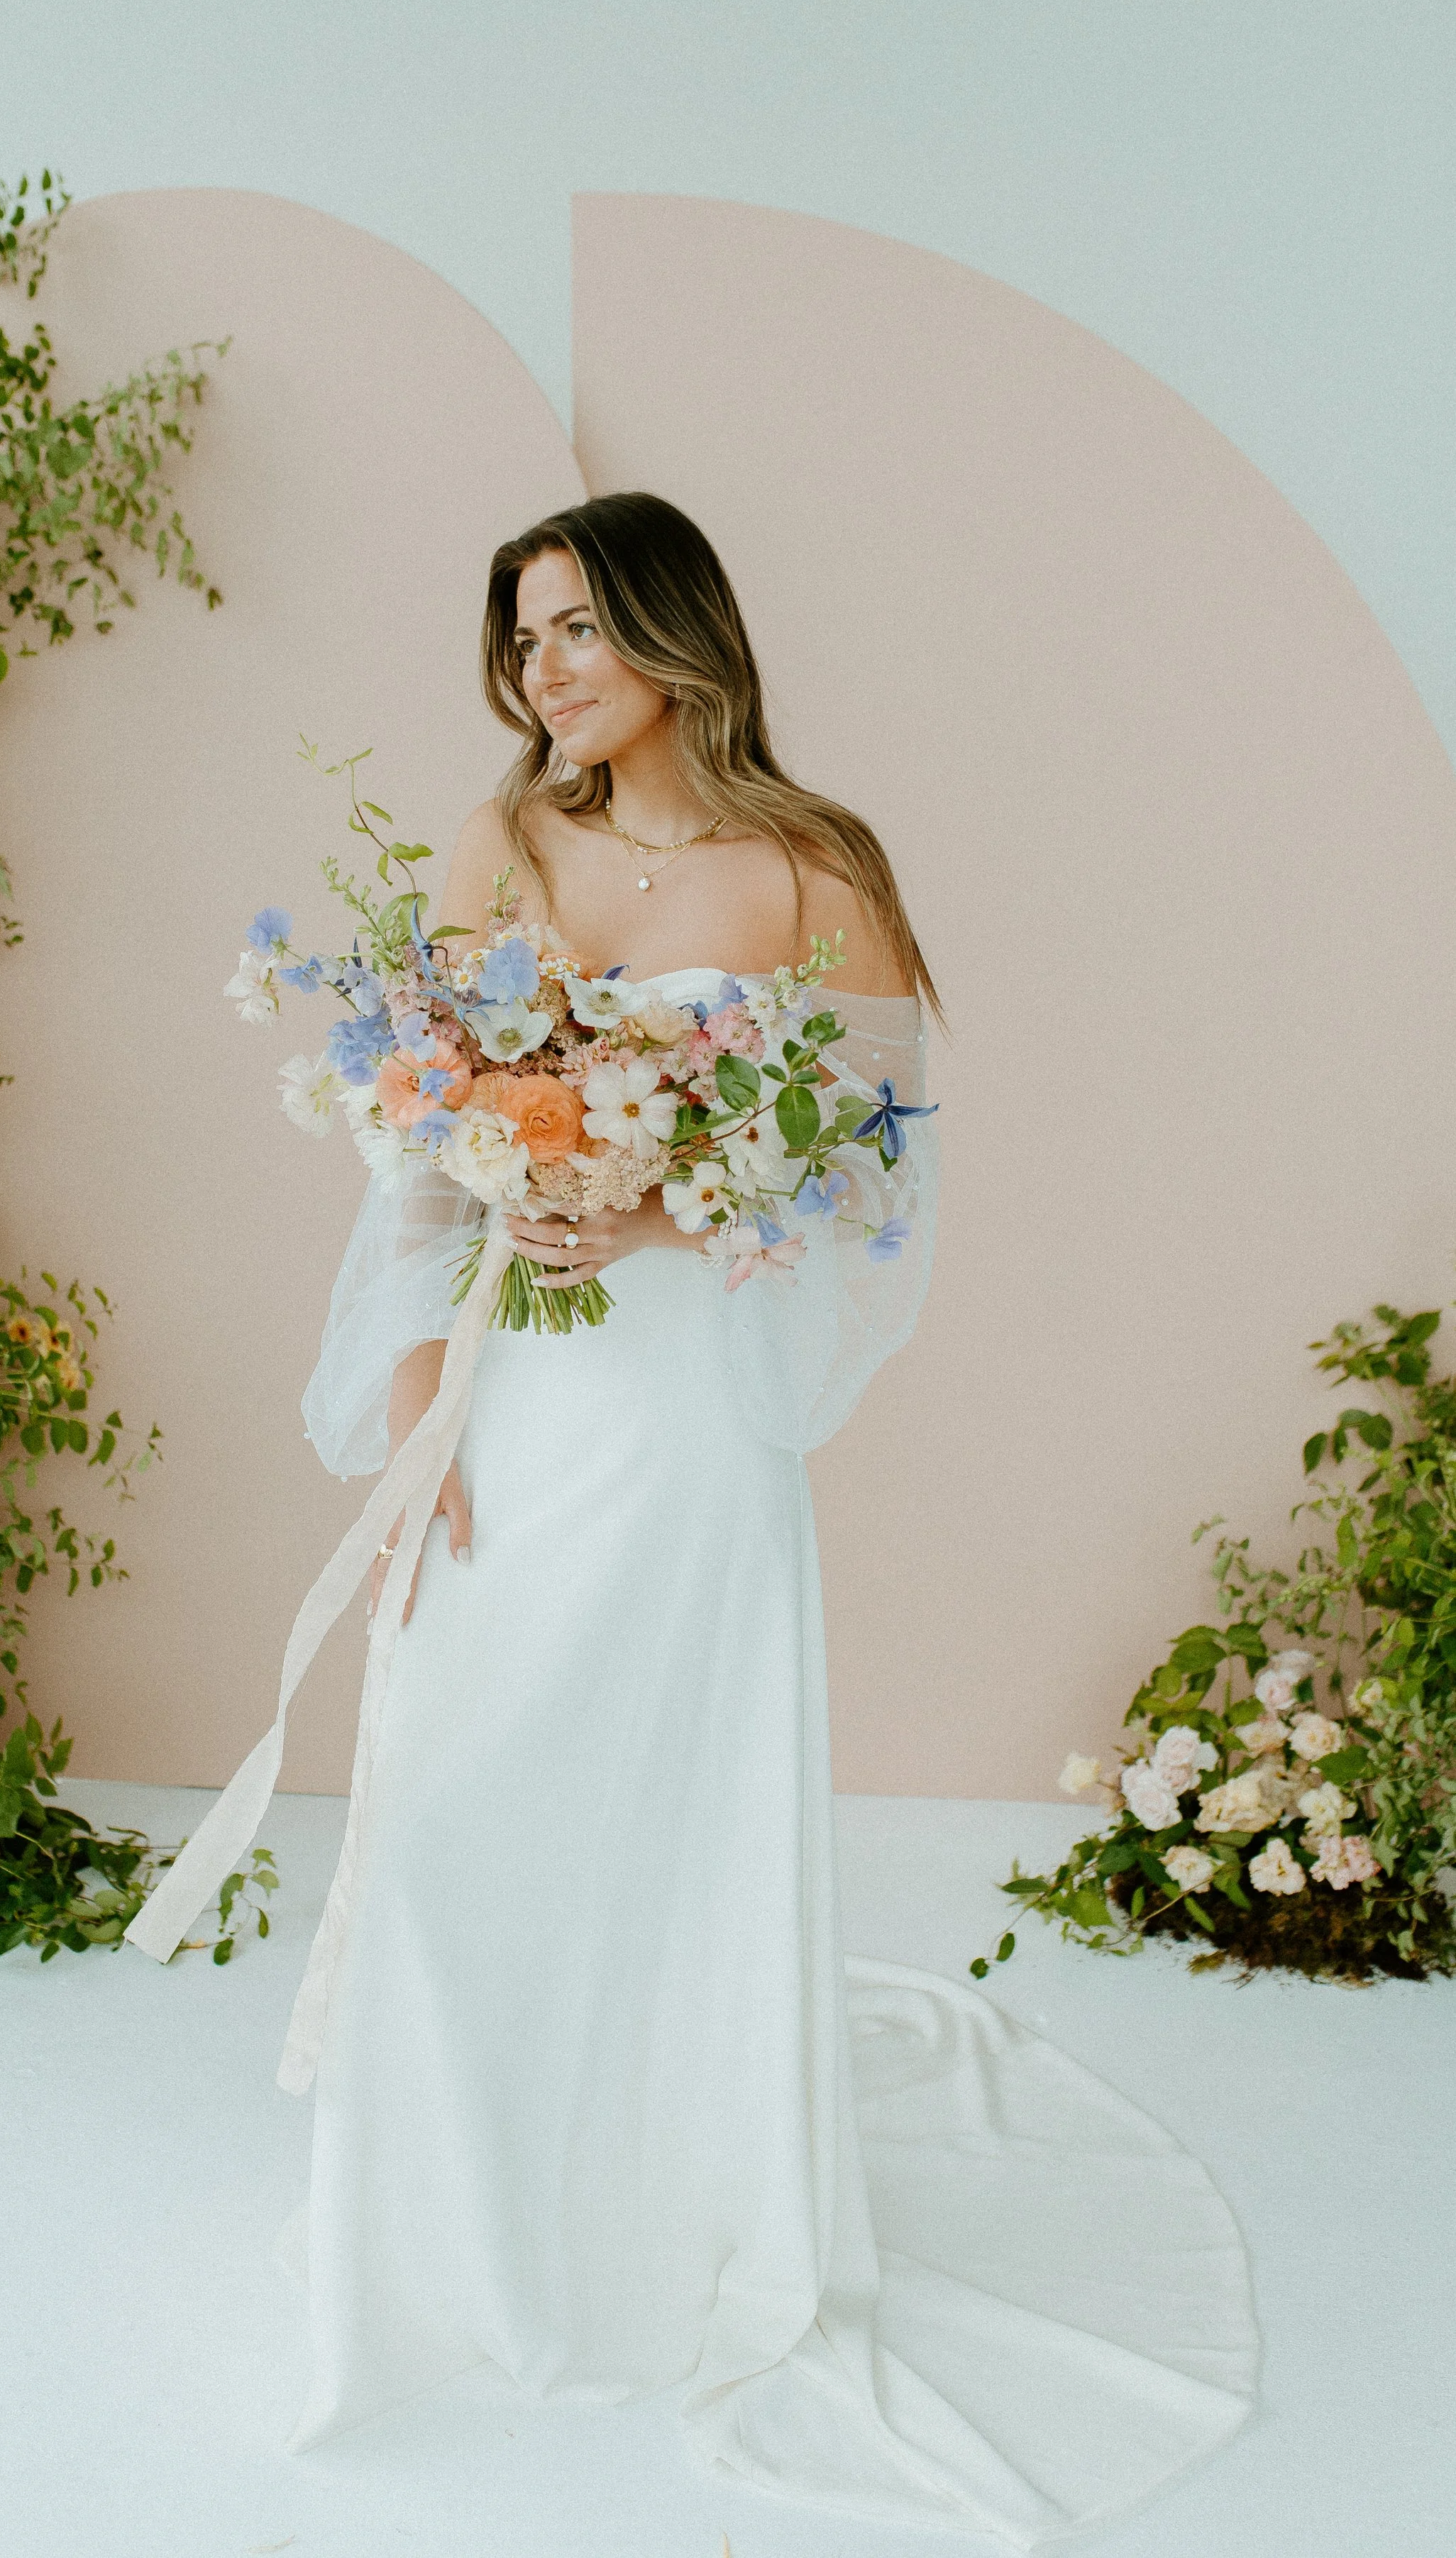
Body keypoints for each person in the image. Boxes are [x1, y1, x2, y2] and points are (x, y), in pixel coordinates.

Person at [278, 495, 1257, 2540]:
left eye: (572, 627)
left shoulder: (813, 870)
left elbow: (877, 1166)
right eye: (516, 637)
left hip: (684, 1413)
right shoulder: (499, 849)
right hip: (515, 1383)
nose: (540, 668)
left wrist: (665, 1193)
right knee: (460, 1797)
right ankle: (443, 2247)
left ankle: (675, 2220)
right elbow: (411, 1160)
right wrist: (412, 1421)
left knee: (662, 1802)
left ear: (670, 630)